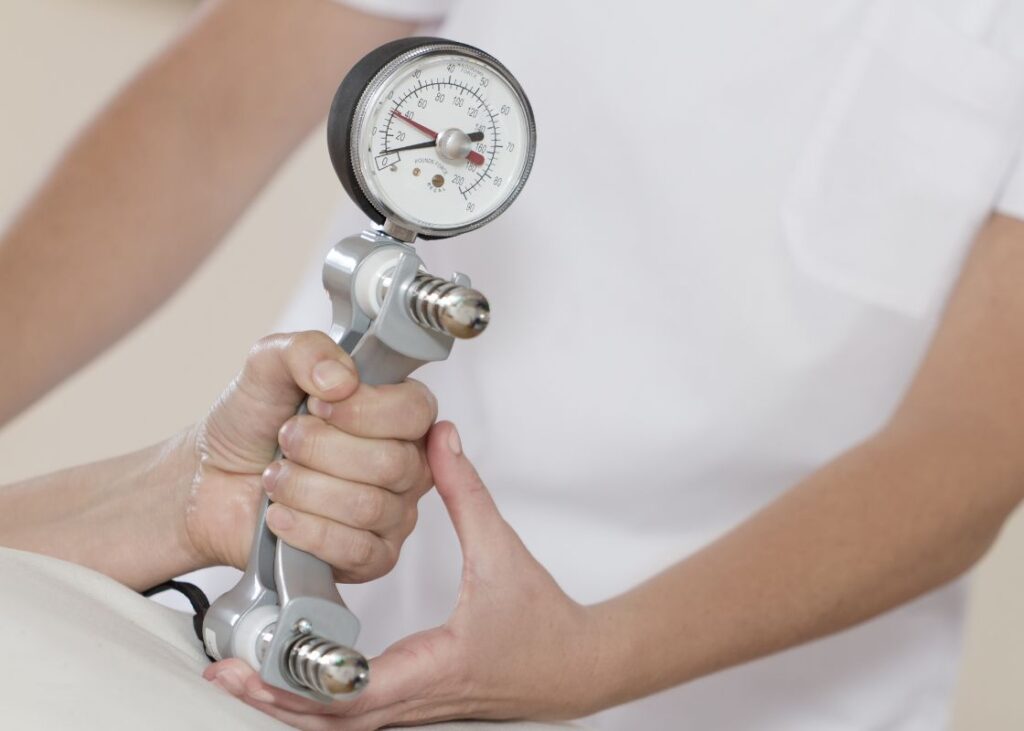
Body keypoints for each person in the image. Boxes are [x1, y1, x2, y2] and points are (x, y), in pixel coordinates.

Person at [5, 0, 1024, 729]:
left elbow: (975, 438)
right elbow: (203, 119)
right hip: (293, 603)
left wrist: (591, 656)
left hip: (750, 690)